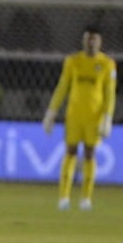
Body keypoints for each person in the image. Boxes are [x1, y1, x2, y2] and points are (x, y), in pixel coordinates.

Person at [42, 25, 117, 210]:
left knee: (90, 153)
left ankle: (86, 198)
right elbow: (62, 87)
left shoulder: (107, 64)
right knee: (70, 151)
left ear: (100, 42)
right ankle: (64, 198)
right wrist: (51, 113)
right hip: (74, 115)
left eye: (94, 39)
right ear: (83, 41)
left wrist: (108, 118)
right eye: (88, 39)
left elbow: (110, 94)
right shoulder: (72, 61)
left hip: (94, 117)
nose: (91, 42)